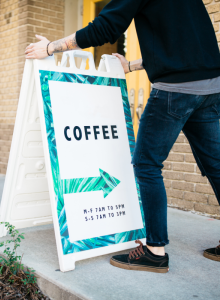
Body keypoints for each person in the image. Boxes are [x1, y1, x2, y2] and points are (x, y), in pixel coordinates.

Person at [25, 0, 220, 273]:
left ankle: (155, 251)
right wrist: (134, 65)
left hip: (175, 90)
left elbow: (104, 29)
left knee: (146, 164)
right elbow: (183, 44)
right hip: (211, 87)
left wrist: (49, 48)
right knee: (216, 164)